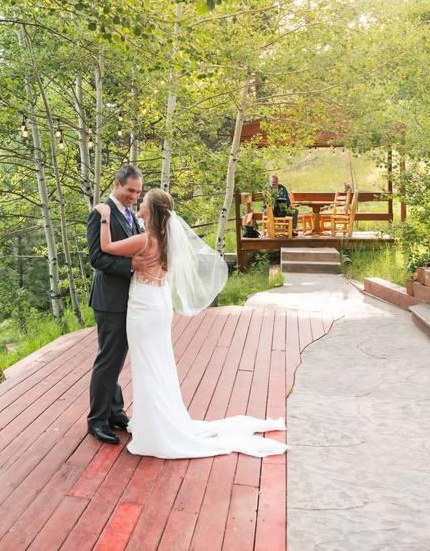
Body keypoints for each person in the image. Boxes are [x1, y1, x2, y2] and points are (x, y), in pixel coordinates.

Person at [93, 188, 286, 459]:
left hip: (143, 308)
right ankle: (160, 420)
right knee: (158, 361)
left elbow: (106, 248)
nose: (140, 203)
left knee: (147, 364)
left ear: (152, 210)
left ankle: (156, 428)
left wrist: (104, 217)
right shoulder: (169, 241)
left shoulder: (144, 239)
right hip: (159, 305)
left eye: (144, 202)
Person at [86, 166, 154, 445]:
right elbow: (97, 259)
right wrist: (131, 266)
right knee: (108, 360)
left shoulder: (130, 216)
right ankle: (97, 421)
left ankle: (115, 412)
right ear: (116, 184)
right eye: (130, 191)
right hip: (109, 301)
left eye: (138, 193)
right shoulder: (100, 214)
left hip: (128, 300)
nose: (134, 197)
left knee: (115, 360)